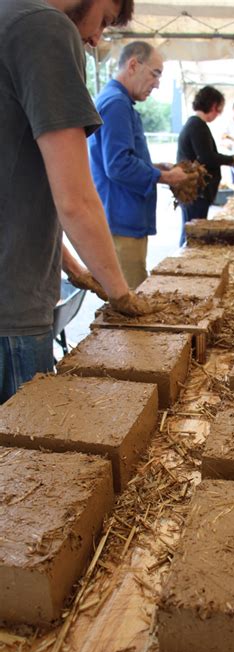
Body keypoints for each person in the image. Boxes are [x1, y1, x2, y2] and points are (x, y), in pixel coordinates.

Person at [0, 0, 157, 405]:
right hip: (10, 311)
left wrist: (70, 264)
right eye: (104, 21)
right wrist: (120, 292)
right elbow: (76, 198)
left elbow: (15, 182)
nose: (94, 39)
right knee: (27, 462)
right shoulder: (46, 28)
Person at [88, 41, 187, 289]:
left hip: (124, 217)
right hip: (121, 220)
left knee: (132, 287)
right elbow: (118, 165)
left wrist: (154, 166)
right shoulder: (116, 104)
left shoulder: (118, 101)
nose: (157, 84)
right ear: (133, 65)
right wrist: (166, 177)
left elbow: (117, 156)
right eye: (155, 74)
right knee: (129, 298)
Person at [177, 86, 234, 246]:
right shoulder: (197, 125)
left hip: (192, 190)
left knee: (190, 230)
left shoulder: (195, 124)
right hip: (195, 191)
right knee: (193, 233)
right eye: (219, 109)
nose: (218, 113)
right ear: (213, 106)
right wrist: (233, 159)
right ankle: (184, 266)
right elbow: (207, 157)